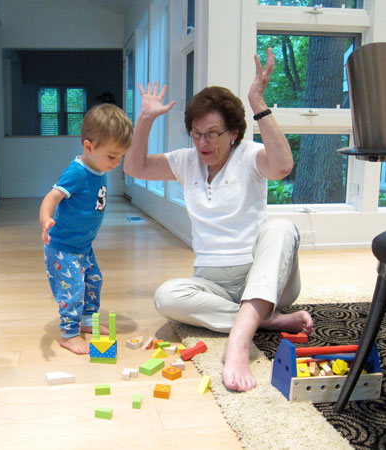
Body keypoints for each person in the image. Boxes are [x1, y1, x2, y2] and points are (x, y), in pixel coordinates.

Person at [123, 48, 313, 392]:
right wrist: (146, 118)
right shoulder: (185, 162)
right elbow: (134, 168)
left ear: (233, 133)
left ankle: (239, 343)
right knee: (165, 297)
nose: (202, 143)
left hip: (267, 277)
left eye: (212, 133)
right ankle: (263, 321)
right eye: (196, 134)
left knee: (282, 228)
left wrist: (257, 101)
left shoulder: (250, 154)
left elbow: (283, 166)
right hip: (213, 283)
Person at [40, 103, 133, 355]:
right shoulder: (77, 172)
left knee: (94, 281)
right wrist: (46, 219)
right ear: (88, 147)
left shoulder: (99, 167)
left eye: (120, 157)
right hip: (62, 248)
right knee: (73, 289)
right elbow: (51, 197)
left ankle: (87, 320)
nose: (116, 163)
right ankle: (68, 334)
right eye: (112, 156)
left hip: (83, 246)